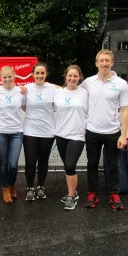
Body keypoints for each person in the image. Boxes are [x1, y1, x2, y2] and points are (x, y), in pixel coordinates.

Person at [81, 49, 128, 210]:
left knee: (113, 166)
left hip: (113, 132)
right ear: (96, 63)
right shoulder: (88, 82)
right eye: (101, 61)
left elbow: (125, 110)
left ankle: (114, 193)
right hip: (92, 131)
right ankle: (92, 192)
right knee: (92, 164)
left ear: (112, 63)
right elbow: (71, 90)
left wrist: (123, 135)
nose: (104, 63)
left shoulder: (121, 84)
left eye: (107, 61)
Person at [54, 65, 88, 210]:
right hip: (61, 134)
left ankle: (71, 197)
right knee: (67, 167)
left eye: (75, 76)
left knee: (70, 165)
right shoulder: (58, 92)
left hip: (77, 134)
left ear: (79, 77)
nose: (72, 78)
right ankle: (73, 192)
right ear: (65, 76)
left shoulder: (85, 93)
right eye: (70, 75)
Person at [23, 62, 57, 201]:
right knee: (30, 161)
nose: (40, 76)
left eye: (42, 73)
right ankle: (30, 188)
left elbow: (56, 106)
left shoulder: (53, 88)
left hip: (48, 131)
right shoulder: (26, 89)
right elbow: (23, 106)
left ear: (46, 74)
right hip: (30, 130)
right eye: (37, 73)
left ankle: (41, 187)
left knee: (43, 161)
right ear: (33, 74)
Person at [0, 66, 25, 204]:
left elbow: (25, 106)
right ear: (0, 78)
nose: (7, 79)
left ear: (14, 76)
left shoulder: (21, 91)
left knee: (13, 164)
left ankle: (12, 185)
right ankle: (5, 188)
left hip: (17, 131)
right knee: (4, 162)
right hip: (1, 131)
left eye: (9, 76)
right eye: (4, 77)